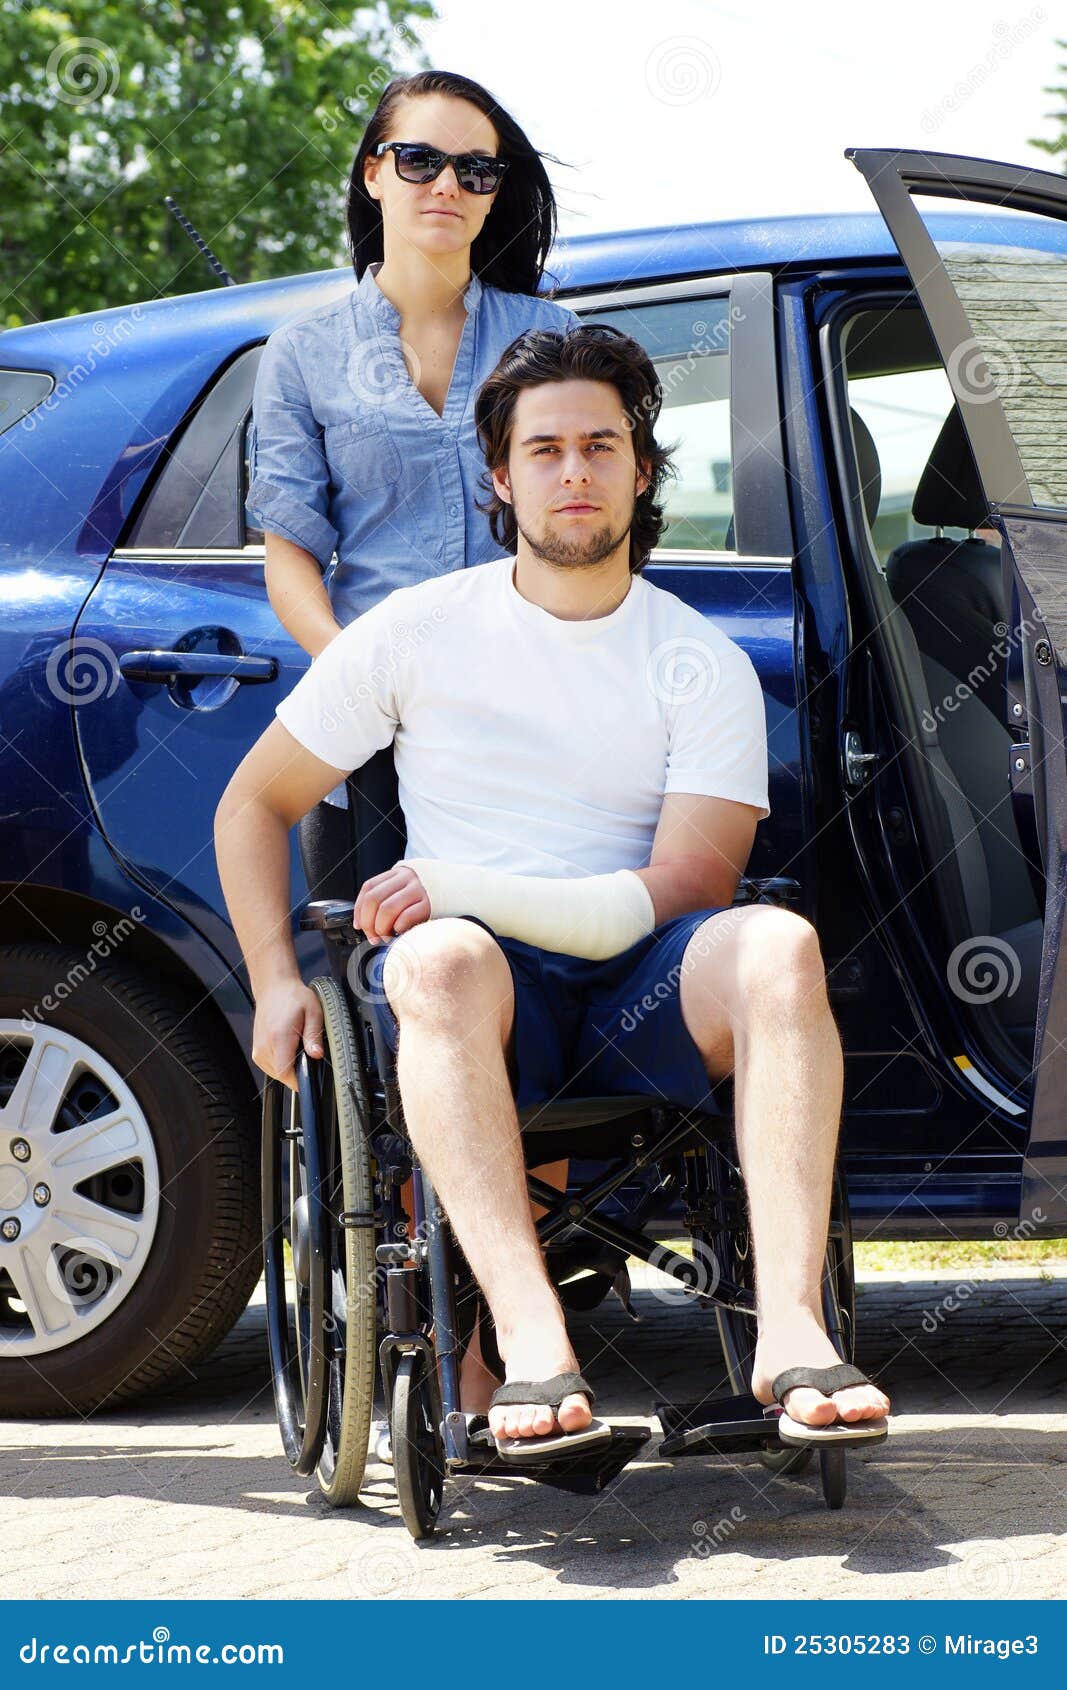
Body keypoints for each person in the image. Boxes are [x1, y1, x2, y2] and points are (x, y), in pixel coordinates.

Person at [217, 323, 891, 1458]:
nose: (572, 470)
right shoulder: (417, 633)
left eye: (598, 444)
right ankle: (532, 1345)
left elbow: (687, 882)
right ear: (500, 475)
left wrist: (459, 879)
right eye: (544, 450)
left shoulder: (698, 658)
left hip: (644, 984)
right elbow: (251, 804)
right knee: (431, 956)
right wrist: (275, 979)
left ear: (639, 466)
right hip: (485, 988)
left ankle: (788, 1332)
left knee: (775, 941)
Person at [244, 67, 580, 898]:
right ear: (372, 172)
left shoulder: (550, 337)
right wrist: (359, 671)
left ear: (494, 193)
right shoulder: (302, 352)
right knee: (383, 983)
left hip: (531, 716)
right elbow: (288, 553)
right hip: (366, 730)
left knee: (539, 973)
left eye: (476, 170)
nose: (447, 185)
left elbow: (591, 514)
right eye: (419, 160)